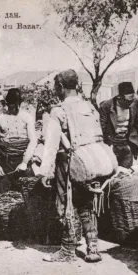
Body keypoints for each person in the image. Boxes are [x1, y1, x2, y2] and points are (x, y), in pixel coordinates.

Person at [40, 69, 102, 263]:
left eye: (55, 87)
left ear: (59, 87)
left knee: (66, 203)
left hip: (67, 163)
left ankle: (67, 250)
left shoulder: (58, 111)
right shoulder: (90, 107)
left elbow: (51, 144)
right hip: (89, 162)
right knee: (86, 204)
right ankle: (93, 248)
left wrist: (46, 171)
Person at [0, 88, 37, 193]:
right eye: (11, 106)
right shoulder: (0, 119)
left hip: (23, 160)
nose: (13, 109)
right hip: (5, 163)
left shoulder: (27, 117)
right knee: (2, 196)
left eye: (16, 105)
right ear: (7, 104)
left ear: (20, 103)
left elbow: (33, 141)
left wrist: (25, 162)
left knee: (30, 193)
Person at [99, 82, 138, 168]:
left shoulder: (134, 102)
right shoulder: (106, 106)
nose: (131, 103)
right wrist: (109, 145)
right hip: (113, 144)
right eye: (128, 101)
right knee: (112, 172)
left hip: (127, 143)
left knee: (127, 173)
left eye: (132, 99)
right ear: (119, 97)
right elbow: (102, 127)